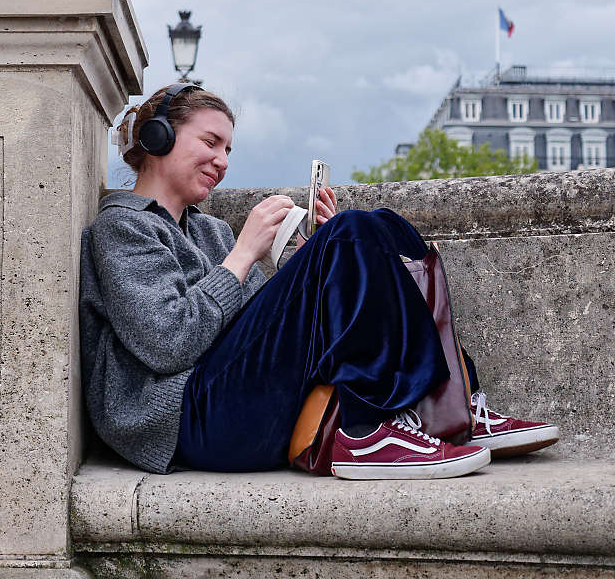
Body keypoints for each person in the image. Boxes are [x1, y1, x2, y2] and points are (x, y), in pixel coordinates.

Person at [79, 83, 558, 480]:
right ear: (159, 138)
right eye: (210, 143)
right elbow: (167, 344)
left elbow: (251, 334)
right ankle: (365, 429)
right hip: (188, 423)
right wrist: (244, 255)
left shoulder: (209, 229)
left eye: (227, 149)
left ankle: (450, 403)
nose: (223, 161)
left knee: (380, 228)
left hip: (238, 405)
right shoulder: (122, 227)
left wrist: (315, 260)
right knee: (350, 235)